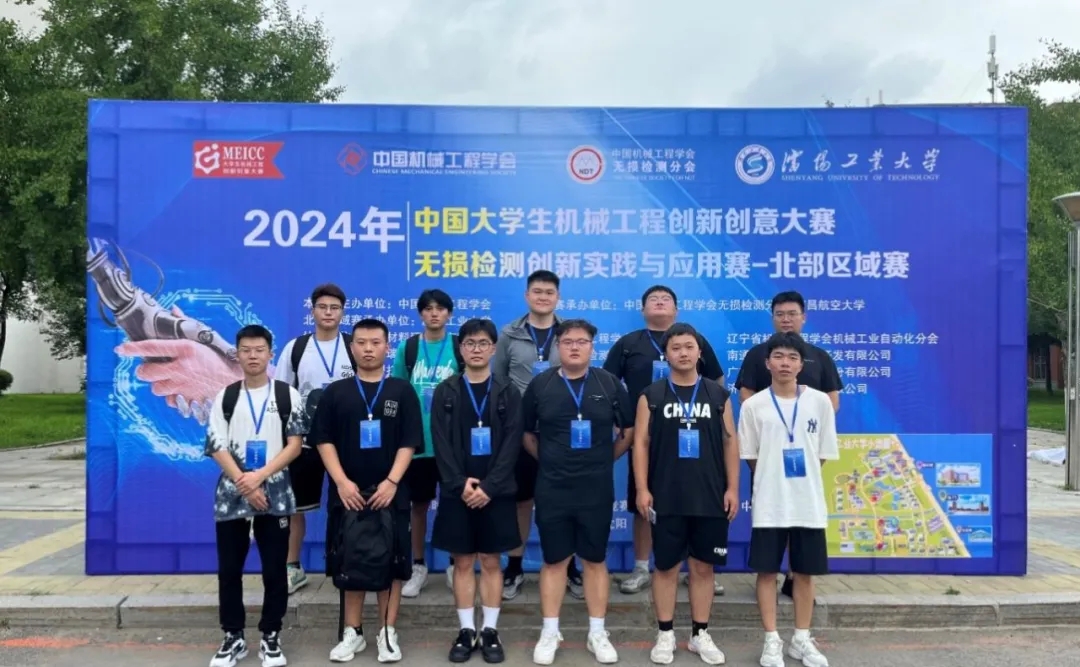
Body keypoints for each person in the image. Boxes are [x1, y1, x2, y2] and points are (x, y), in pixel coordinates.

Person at [522, 318, 635, 666]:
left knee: (595, 560)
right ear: (558, 346)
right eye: (568, 341)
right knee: (554, 560)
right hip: (553, 487)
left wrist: (601, 460)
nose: (574, 347)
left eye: (582, 341)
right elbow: (527, 435)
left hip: (595, 488)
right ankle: (550, 631)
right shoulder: (540, 385)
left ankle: (597, 632)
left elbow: (627, 433)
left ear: (592, 347)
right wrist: (552, 462)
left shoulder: (609, 384)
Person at [310, 318, 423, 664]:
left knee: (393, 562)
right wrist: (342, 482)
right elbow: (323, 440)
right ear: (352, 347)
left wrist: (392, 482)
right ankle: (353, 632)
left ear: (387, 347)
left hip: (391, 493)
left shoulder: (401, 391)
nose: (368, 349)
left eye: (376, 342)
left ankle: (387, 632)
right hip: (348, 494)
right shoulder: (336, 392)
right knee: (350, 561)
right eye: (361, 343)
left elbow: (409, 441)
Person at [603, 285, 726, 596]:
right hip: (645, 435)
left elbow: (717, 380)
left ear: (676, 309)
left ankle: (699, 568)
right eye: (653, 300)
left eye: (666, 299)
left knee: (697, 502)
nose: (659, 302)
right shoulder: (628, 344)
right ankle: (641, 567)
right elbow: (608, 384)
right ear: (643, 309)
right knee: (644, 502)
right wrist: (622, 420)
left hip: (692, 433)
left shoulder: (695, 341)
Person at [632, 323, 737, 665]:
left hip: (709, 496)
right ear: (666, 354)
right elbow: (641, 444)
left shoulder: (718, 396)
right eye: (675, 347)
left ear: (699, 353)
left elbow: (730, 443)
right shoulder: (651, 395)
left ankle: (699, 634)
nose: (683, 353)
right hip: (666, 496)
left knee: (703, 568)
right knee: (665, 567)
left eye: (689, 346)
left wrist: (733, 488)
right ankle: (665, 633)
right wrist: (642, 488)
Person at [205, 324, 306, 667]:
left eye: (259, 350)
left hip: (275, 494)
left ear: (270, 354)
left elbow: (295, 445)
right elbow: (215, 445)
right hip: (232, 495)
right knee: (229, 570)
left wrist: (260, 477)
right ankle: (233, 636)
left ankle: (271, 635)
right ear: (237, 354)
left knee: (275, 570)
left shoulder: (287, 395)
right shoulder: (226, 396)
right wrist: (244, 482)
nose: (252, 356)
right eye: (246, 350)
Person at [734, 290, 842, 600]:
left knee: (802, 515)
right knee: (771, 518)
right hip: (768, 453)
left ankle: (796, 576)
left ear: (803, 317)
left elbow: (832, 400)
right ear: (772, 318)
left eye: (792, 313)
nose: (786, 319)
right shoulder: (758, 354)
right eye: (780, 314)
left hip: (805, 454)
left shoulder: (819, 357)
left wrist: (807, 431)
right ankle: (768, 576)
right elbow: (746, 395)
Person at [739, 332, 837, 667]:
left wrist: (799, 480)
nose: (785, 363)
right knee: (767, 573)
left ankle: (801, 639)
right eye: (778, 356)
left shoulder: (820, 403)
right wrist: (773, 478)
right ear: (767, 363)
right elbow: (751, 456)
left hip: (808, 503)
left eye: (792, 357)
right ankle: (771, 640)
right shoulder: (753, 406)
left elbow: (821, 453)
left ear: (801, 364)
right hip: (770, 504)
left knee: (804, 574)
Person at [430, 318, 524, 663]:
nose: (476, 349)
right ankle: (467, 630)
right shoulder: (446, 390)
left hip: (496, 492)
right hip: (458, 492)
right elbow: (440, 442)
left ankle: (490, 631)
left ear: (494, 348)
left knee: (491, 561)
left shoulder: (508, 391)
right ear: (461, 348)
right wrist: (460, 484)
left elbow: (513, 442)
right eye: (469, 343)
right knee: (464, 561)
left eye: (483, 343)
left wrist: (490, 486)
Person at [493, 270, 582, 601]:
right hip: (520, 432)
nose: (543, 297)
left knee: (566, 501)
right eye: (537, 291)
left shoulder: (570, 333)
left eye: (549, 292)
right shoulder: (509, 334)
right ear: (526, 296)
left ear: (558, 297)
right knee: (521, 500)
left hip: (562, 431)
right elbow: (499, 380)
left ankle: (569, 567)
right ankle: (514, 567)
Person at [274, 283, 356, 595]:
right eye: (323, 307)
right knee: (295, 508)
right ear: (313, 311)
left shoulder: (353, 346)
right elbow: (281, 395)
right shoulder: (296, 349)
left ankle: (347, 563)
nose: (328, 313)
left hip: (346, 443)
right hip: (304, 443)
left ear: (343, 312)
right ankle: (292, 567)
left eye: (334, 308)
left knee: (349, 503)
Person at [391, 289, 465, 598]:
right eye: (428, 308)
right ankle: (418, 565)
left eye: (440, 308)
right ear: (421, 313)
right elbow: (396, 392)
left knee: (454, 505)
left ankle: (455, 566)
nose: (434, 313)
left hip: (452, 444)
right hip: (418, 444)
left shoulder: (460, 346)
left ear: (449, 313)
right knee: (418, 507)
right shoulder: (408, 348)